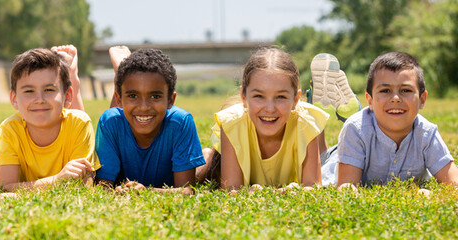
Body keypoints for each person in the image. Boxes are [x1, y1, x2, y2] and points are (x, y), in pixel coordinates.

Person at [197, 47, 330, 190]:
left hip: (306, 128)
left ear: (296, 99)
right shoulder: (232, 124)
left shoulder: (306, 122)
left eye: (281, 97)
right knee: (203, 170)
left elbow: (313, 186)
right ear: (243, 96)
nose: (270, 108)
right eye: (259, 96)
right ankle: (209, 155)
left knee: (329, 166)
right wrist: (252, 192)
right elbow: (231, 189)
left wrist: (296, 191)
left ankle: (333, 136)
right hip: (224, 150)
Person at [321, 52, 458, 189]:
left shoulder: (427, 133)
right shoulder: (356, 129)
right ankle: (317, 118)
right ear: (370, 100)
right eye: (385, 90)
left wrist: (426, 196)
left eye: (406, 90)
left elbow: (453, 182)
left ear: (422, 100)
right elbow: (348, 186)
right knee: (320, 159)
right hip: (338, 160)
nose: (396, 98)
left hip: (357, 139)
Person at [95, 48, 205, 192]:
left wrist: (145, 191)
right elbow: (103, 187)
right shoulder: (109, 122)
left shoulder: (180, 122)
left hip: (168, 182)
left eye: (155, 97)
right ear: (119, 99)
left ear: (171, 100)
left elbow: (186, 190)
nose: (144, 107)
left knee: (205, 164)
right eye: (133, 96)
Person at [0, 46, 100, 192]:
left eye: (49, 90)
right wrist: (56, 180)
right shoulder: (10, 129)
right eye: (29, 91)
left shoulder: (79, 123)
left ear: (68, 96)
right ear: (14, 99)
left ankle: (73, 77)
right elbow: (3, 188)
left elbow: (84, 186)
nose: (39, 100)